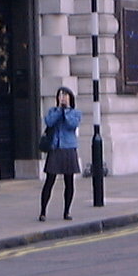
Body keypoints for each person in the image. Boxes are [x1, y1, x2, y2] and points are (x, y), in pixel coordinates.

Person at [39, 87, 81, 221]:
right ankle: (43, 211)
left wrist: (66, 110)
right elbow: (49, 122)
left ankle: (67, 211)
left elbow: (72, 125)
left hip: (69, 148)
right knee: (49, 181)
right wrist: (59, 110)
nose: (63, 98)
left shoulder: (75, 113)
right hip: (55, 148)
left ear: (70, 98)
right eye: (61, 95)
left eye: (65, 95)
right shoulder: (53, 111)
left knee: (69, 182)